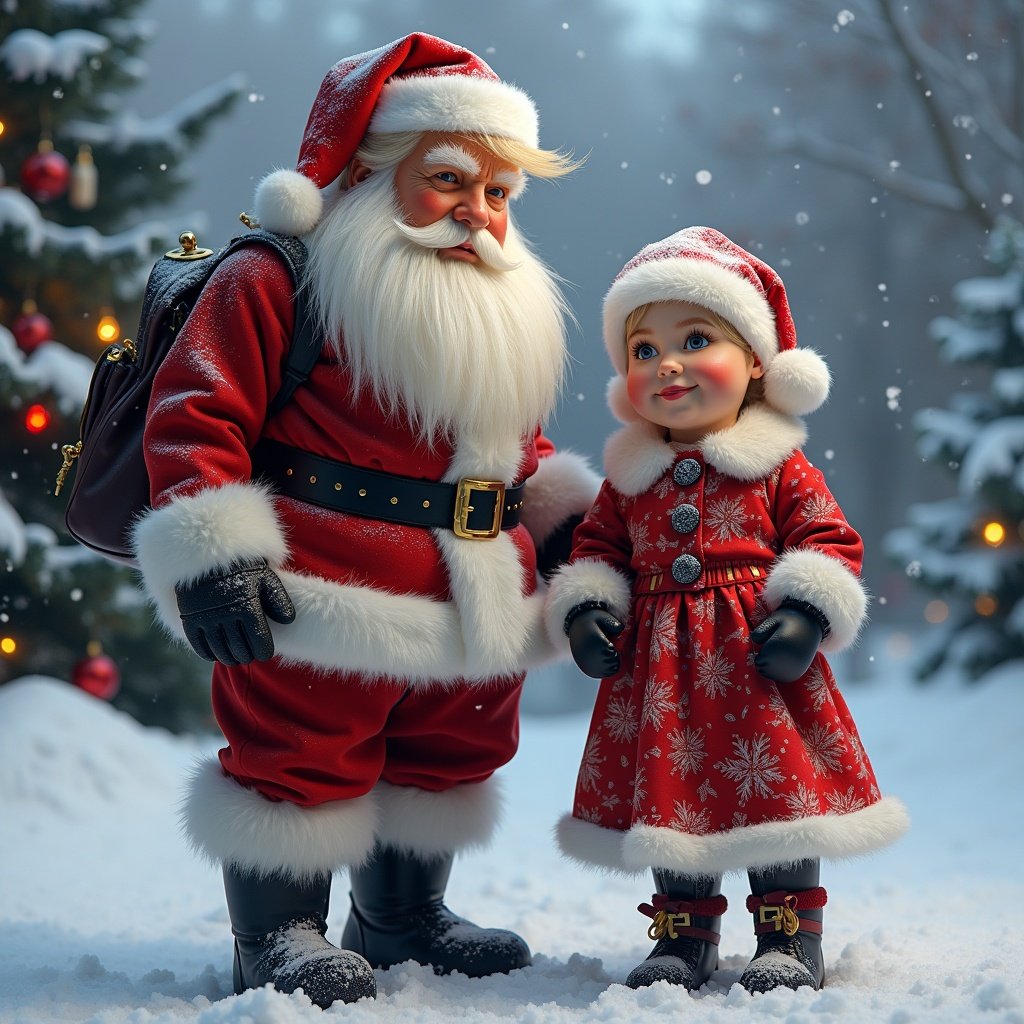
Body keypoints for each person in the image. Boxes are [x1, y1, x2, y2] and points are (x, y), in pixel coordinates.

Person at [131, 34, 599, 1008]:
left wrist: (566, 536)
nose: (478, 209)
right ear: (372, 170)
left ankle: (400, 916)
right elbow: (195, 414)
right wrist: (211, 553)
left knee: (446, 753)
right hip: (321, 581)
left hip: (475, 588)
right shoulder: (277, 278)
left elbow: (519, 450)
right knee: (298, 754)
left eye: (500, 192)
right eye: (445, 179)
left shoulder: (497, 304)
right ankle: (276, 933)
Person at [544, 227, 909, 995]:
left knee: (775, 790)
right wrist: (585, 610)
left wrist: (806, 609)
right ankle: (682, 929)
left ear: (753, 364)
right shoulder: (628, 478)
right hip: (661, 674)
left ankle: (788, 931)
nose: (665, 363)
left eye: (696, 338)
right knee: (671, 797)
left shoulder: (778, 464)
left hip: (754, 661)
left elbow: (828, 537)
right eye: (643, 350)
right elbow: (598, 550)